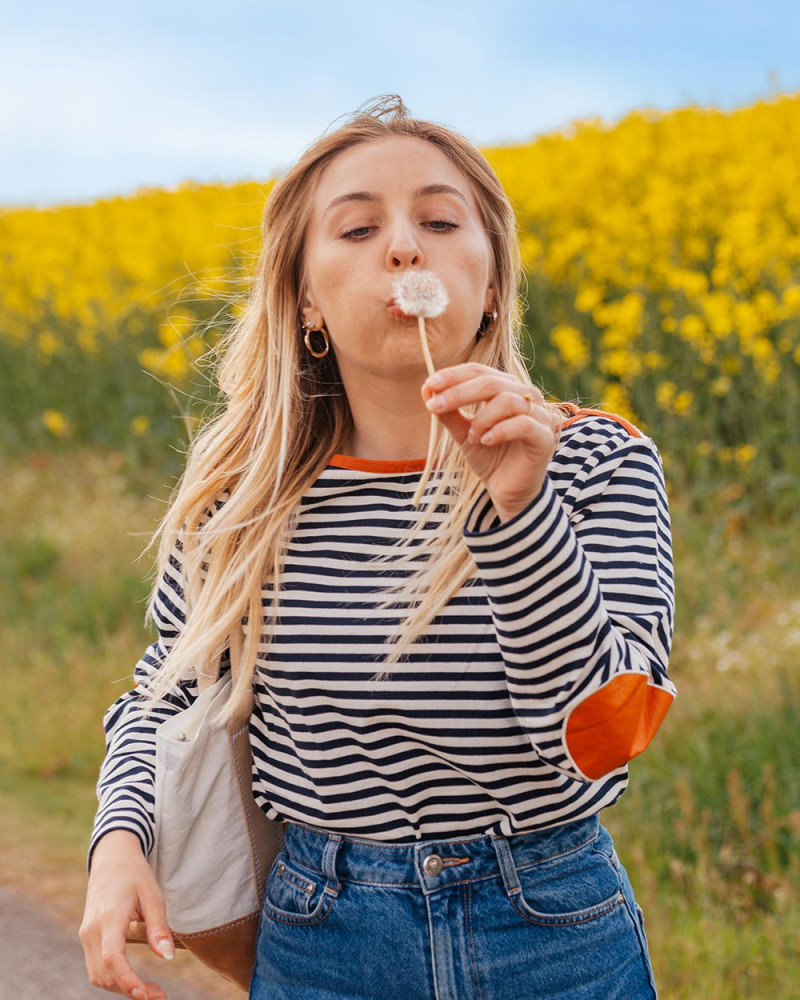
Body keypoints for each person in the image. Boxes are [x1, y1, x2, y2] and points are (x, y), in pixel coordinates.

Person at [80, 95, 676, 1000]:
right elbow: (171, 684)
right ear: (306, 298)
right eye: (357, 228)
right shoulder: (245, 495)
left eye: (439, 221)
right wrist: (121, 839)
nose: (404, 247)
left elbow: (608, 737)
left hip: (552, 930)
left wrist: (520, 516)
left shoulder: (595, 460)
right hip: (322, 935)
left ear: (491, 281)